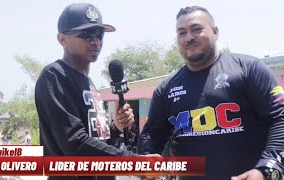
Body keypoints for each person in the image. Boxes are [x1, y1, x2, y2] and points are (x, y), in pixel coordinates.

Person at [138, 6, 284, 180]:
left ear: (215, 32)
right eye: (182, 33)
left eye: (196, 29)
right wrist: (146, 159)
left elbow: (280, 119)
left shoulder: (249, 69)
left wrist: (266, 170)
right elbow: (151, 134)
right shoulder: (166, 88)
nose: (189, 37)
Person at [35, 3, 147, 180]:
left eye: (99, 34)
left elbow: (98, 141)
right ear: (62, 39)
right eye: (86, 34)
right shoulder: (55, 76)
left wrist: (116, 128)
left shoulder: (90, 84)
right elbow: (75, 144)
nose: (95, 41)